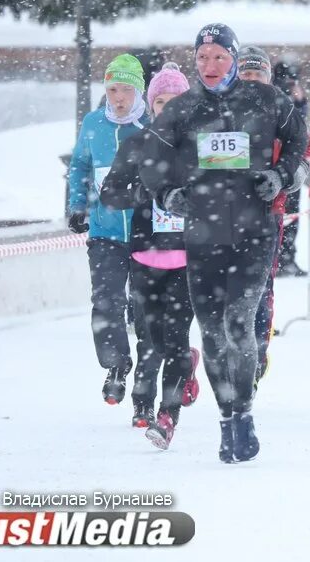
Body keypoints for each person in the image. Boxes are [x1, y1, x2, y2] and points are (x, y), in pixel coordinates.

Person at [140, 23, 308, 463]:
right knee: (212, 333)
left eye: (219, 56)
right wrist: (167, 194)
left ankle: (245, 413)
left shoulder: (267, 100)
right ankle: (227, 417)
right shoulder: (184, 108)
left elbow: (300, 141)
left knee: (238, 323)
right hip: (203, 235)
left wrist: (281, 176)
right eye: (203, 57)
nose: (210, 65)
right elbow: (151, 159)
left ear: (233, 59)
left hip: (255, 232)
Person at [100, 62, 199, 449]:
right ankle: (143, 402)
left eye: (176, 101)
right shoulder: (137, 145)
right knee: (149, 338)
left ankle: (167, 415)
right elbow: (110, 194)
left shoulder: (200, 147)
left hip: (188, 261)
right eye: (161, 101)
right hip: (145, 258)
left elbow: (226, 192)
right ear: (151, 104)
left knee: (175, 339)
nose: (168, 108)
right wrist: (145, 193)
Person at [67, 53, 149, 406]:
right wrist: (76, 205)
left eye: (126, 90)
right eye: (113, 89)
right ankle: (116, 366)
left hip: (148, 233)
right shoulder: (93, 123)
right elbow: (79, 166)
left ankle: (148, 371)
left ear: (139, 92)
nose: (118, 97)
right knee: (106, 301)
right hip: (105, 231)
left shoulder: (152, 125)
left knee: (145, 307)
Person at [237, 45, 310, 385]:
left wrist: (289, 174)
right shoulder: (217, 108)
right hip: (222, 215)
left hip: (268, 211)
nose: (251, 79)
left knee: (260, 286)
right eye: (245, 73)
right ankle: (234, 352)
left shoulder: (281, 108)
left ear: (268, 78)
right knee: (226, 289)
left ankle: (256, 352)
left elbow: (307, 145)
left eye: (257, 74)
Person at [272, 60, 310, 278]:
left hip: (292, 164)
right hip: (275, 164)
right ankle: (277, 259)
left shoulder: (294, 95)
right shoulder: (270, 95)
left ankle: (287, 258)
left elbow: (301, 125)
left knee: (292, 215)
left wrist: (300, 100)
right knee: (278, 216)